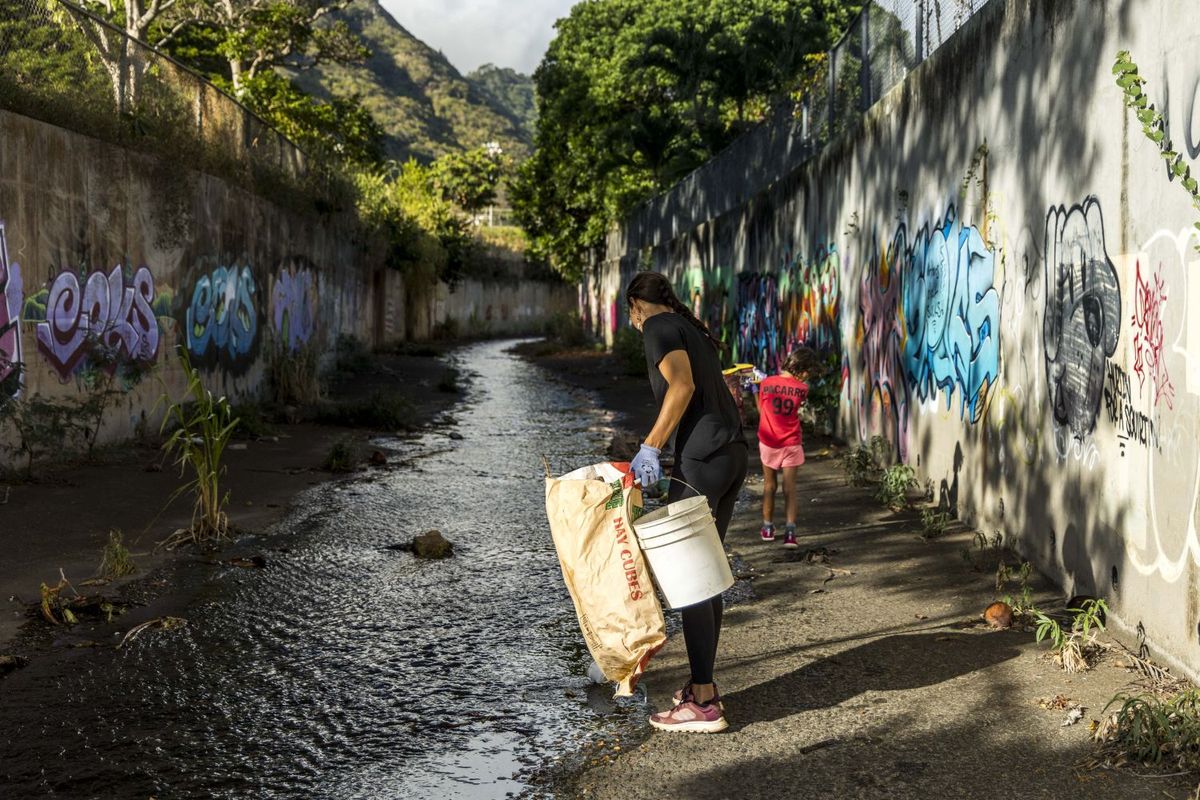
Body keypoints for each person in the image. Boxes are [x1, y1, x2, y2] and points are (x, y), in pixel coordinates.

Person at [625, 271, 747, 734]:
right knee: (708, 574)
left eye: (630, 313)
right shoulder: (690, 327)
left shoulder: (658, 328)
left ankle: (702, 702)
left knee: (692, 581)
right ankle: (703, 688)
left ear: (637, 304)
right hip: (732, 454)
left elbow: (682, 388)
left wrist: (651, 445)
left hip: (702, 460)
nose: (633, 322)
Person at [756, 347, 819, 548]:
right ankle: (790, 533)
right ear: (802, 368)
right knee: (790, 489)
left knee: (769, 486)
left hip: (768, 441)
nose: (808, 376)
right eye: (808, 371)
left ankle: (767, 527)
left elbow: (761, 409)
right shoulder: (802, 389)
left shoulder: (766, 383)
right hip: (791, 441)